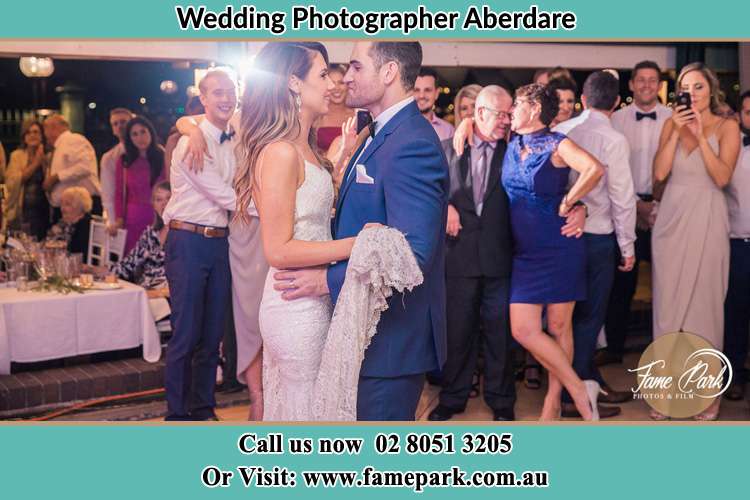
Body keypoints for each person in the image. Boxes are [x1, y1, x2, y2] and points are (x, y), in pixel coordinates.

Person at [273, 41, 449, 421]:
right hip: (363, 335)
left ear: (388, 73)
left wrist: (326, 281)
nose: (345, 77)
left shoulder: (411, 142)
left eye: (355, 66)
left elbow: (413, 254)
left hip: (390, 344)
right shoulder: (378, 133)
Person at [502, 83, 605, 420]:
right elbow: (478, 120)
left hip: (559, 247)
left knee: (560, 326)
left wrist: (571, 200)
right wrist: (463, 126)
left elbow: (594, 168)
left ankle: (553, 401)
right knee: (522, 329)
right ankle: (578, 386)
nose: (511, 110)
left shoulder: (558, 144)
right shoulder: (512, 140)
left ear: (533, 109)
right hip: (524, 253)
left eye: (516, 103)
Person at [651, 62, 740, 421]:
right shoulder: (669, 124)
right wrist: (676, 130)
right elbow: (658, 174)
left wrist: (701, 134)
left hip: (708, 217)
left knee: (704, 308)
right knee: (668, 310)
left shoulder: (728, 126)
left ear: (711, 89)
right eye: (686, 88)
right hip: (671, 220)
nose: (692, 93)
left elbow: (721, 177)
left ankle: (706, 395)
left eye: (699, 87)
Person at [430, 86, 517, 422]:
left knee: (500, 334)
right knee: (458, 332)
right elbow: (428, 192)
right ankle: (452, 398)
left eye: (510, 114)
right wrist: (446, 207)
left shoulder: (515, 149)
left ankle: (501, 399)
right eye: (501, 114)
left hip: (500, 256)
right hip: (459, 256)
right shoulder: (447, 148)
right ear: (480, 113)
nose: (507, 121)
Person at [558, 71, 638, 419]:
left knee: (563, 319)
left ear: (584, 100)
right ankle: (577, 395)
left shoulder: (562, 131)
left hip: (562, 237)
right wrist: (628, 245)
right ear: (617, 103)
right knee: (590, 319)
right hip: (598, 239)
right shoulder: (615, 140)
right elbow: (623, 198)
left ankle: (579, 385)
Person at [161, 68, 239, 421]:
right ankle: (177, 415)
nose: (225, 98)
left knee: (212, 336)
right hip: (188, 240)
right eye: (217, 93)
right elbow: (226, 196)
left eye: (230, 91)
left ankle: (203, 408)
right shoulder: (189, 144)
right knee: (186, 334)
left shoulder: (233, 138)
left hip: (220, 244)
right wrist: (275, 206)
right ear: (203, 99)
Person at [599, 61, 671, 366]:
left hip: (667, 211)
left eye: (652, 80)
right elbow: (609, 170)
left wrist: (657, 203)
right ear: (631, 85)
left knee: (667, 284)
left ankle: (665, 346)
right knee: (621, 285)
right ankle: (614, 348)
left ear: (659, 85)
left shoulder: (672, 119)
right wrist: (636, 206)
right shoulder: (615, 120)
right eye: (640, 80)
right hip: (625, 210)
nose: (645, 85)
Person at [723, 90, 750, 401]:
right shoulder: (730, 149)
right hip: (737, 244)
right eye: (747, 111)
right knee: (735, 314)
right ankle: (734, 377)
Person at [114, 115, 165, 253]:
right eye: (134, 134)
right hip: (133, 218)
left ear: (150, 132)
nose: (140, 137)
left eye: (143, 132)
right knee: (133, 261)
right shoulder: (124, 161)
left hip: (158, 216)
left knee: (155, 259)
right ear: (129, 138)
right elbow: (119, 192)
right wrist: (118, 218)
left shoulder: (162, 156)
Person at [111, 181, 171, 291]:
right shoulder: (150, 234)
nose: (164, 204)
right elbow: (127, 265)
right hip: (144, 291)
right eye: (159, 200)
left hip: (167, 295)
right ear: (153, 205)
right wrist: (92, 270)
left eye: (169, 198)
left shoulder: (183, 234)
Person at [3, 120, 51, 240]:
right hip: (22, 211)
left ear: (42, 136)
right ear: (24, 137)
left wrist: (43, 161)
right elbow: (12, 181)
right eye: (28, 133)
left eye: (36, 132)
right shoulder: (17, 156)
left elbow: (49, 183)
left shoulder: (48, 155)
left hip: (44, 211)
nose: (32, 135)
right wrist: (35, 163)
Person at [100, 108, 134, 226]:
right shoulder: (109, 158)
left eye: (123, 122)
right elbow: (108, 192)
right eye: (115, 124)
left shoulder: (152, 150)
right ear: (113, 129)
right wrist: (113, 220)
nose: (119, 126)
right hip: (122, 216)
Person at [47, 187, 93, 261]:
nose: (62, 208)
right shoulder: (62, 222)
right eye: (61, 204)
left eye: (67, 204)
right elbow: (48, 242)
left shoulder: (86, 225)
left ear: (80, 206)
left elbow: (78, 255)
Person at [316, 64, 355, 152]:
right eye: (332, 83)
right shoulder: (317, 116)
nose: (336, 88)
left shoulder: (356, 116)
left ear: (348, 85)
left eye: (341, 83)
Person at [164, 96, 204, 173]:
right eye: (199, 112)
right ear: (189, 111)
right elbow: (169, 173)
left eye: (202, 112)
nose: (201, 116)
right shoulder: (174, 139)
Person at [414, 67, 454, 141]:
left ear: (436, 93)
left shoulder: (449, 131)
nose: (421, 95)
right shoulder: (397, 129)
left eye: (427, 90)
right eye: (416, 90)